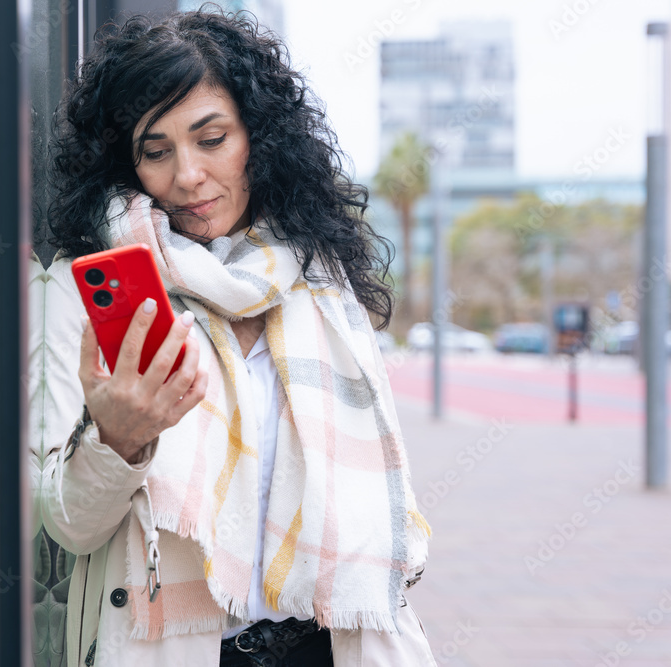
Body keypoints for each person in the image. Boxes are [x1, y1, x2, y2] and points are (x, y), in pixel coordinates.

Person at [37, 8, 436, 667]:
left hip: (333, 644)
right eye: (156, 151)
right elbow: (69, 526)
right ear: (125, 164)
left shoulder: (321, 277)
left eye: (212, 138)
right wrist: (118, 440)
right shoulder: (85, 290)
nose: (187, 175)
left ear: (260, 136)